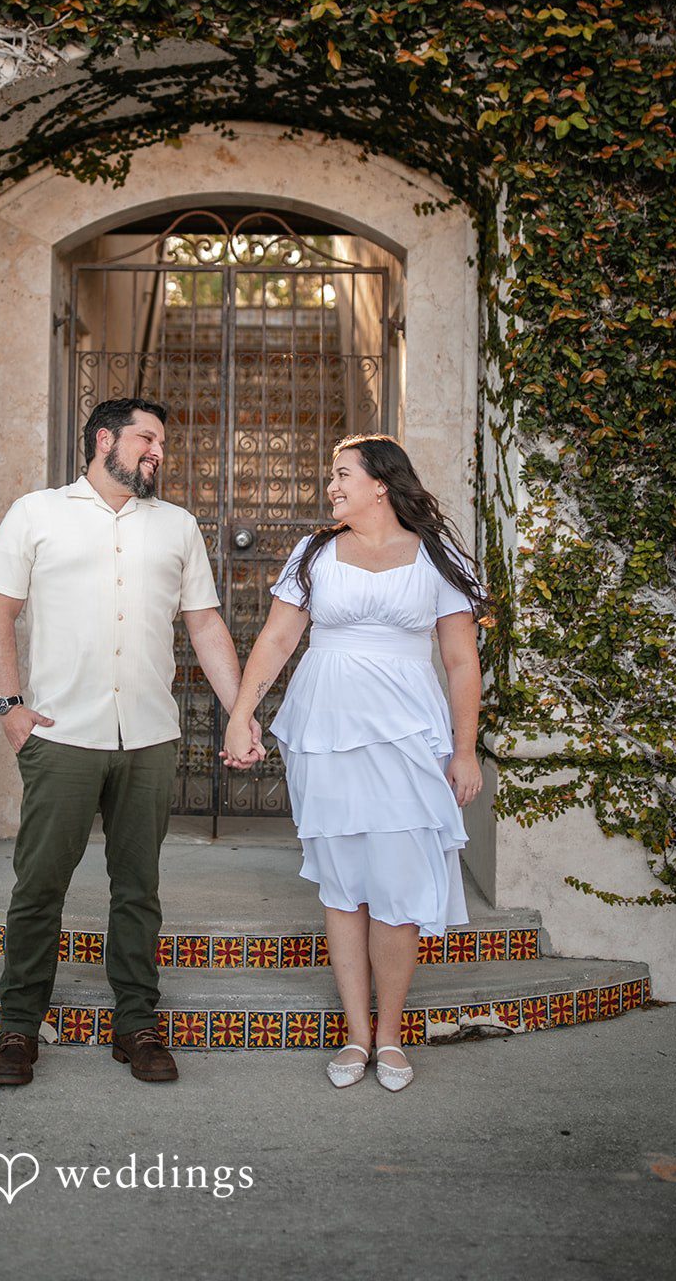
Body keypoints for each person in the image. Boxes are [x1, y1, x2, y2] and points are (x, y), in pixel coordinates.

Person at [0, 396, 255, 1087]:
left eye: (161, 442)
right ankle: (18, 1028)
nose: (157, 452)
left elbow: (204, 625)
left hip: (149, 737)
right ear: (104, 439)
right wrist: (10, 707)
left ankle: (136, 1025)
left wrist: (240, 711)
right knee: (39, 885)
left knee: (137, 889)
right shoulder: (36, 512)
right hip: (61, 736)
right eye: (146, 438)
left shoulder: (177, 525)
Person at [223, 433, 485, 1092]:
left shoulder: (437, 556)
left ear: (380, 484)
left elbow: (460, 662)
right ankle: (356, 1035)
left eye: (343, 474)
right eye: (331, 475)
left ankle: (390, 1036)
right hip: (327, 730)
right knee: (343, 885)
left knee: (398, 883)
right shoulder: (314, 552)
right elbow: (277, 638)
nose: (332, 486)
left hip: (408, 735)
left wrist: (464, 749)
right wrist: (241, 713)